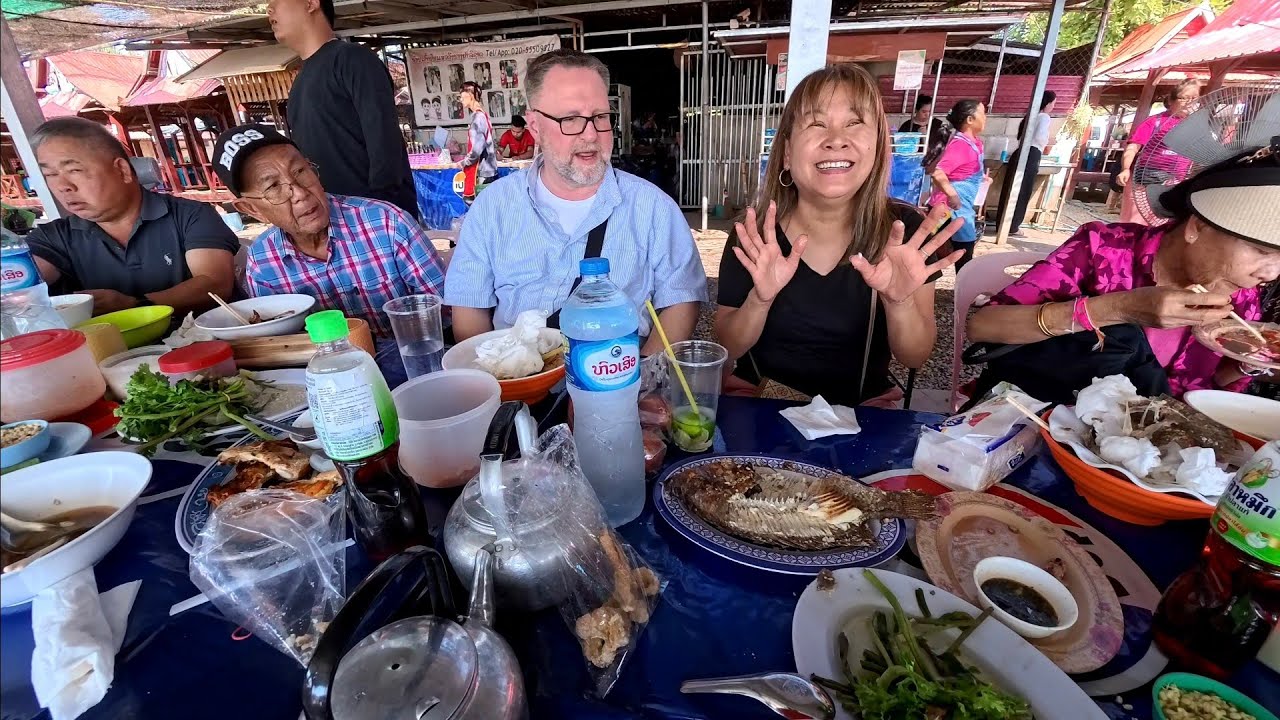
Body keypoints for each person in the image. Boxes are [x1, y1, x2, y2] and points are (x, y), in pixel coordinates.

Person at [715, 64, 964, 407]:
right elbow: (727, 347)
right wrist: (760, 300)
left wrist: (898, 302)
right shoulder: (756, 234)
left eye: (854, 123)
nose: (835, 140)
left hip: (862, 416)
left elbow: (915, 356)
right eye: (816, 124)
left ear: (877, 148)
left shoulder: (903, 230)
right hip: (762, 405)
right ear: (787, 153)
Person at [444, 49, 706, 352]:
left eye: (600, 117)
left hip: (618, 381)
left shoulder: (654, 209)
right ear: (535, 127)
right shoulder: (493, 208)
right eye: (570, 119)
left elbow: (681, 303)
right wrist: (503, 381)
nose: (591, 134)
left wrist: (641, 380)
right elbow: (469, 310)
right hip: (519, 387)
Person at [967, 145, 1279, 398]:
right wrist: (1119, 308)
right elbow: (984, 326)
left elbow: (1215, 385)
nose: (1271, 273)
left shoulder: (1242, 296)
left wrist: (1252, 364)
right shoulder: (1104, 249)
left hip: (1167, 454)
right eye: (1263, 251)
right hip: (1050, 423)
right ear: (1196, 227)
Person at [213, 125, 446, 339]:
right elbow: (278, 341)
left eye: (300, 171)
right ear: (251, 209)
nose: (300, 193)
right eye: (273, 186)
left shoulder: (387, 223)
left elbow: (447, 311)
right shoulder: (263, 261)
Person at [24, 117, 238, 316]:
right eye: (50, 175)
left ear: (122, 170)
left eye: (74, 170)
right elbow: (20, 287)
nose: (63, 187)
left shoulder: (190, 215)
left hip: (203, 343)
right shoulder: (52, 238)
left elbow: (215, 283)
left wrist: (136, 304)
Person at [269, 0, 419, 219]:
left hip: (374, 223)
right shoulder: (299, 83)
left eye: (275, 1)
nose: (269, 9)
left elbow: (385, 145)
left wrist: (375, 217)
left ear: (311, 3)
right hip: (332, 223)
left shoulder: (352, 58)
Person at [1115, 79, 1200, 225]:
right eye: (1184, 98)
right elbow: (1133, 147)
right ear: (1171, 101)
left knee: (1162, 226)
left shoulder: (1198, 126)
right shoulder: (1155, 122)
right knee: (1134, 223)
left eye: (1194, 98)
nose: (1189, 103)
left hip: (1175, 183)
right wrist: (1125, 169)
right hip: (1144, 180)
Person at [926, 100, 988, 271]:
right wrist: (952, 195)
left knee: (960, 253)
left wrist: (981, 179)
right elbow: (938, 172)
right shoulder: (961, 145)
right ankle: (965, 292)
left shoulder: (974, 143)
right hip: (948, 210)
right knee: (960, 255)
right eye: (982, 113)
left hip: (961, 210)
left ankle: (964, 290)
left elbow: (963, 171)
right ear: (970, 119)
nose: (985, 117)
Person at [998, 90, 1056, 237]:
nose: (1054, 106)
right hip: (1031, 155)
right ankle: (1013, 226)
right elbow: (1040, 138)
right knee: (1022, 191)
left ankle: (1002, 223)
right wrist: (1050, 142)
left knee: (1011, 189)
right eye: (1053, 102)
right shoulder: (1044, 117)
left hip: (1020, 153)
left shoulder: (1030, 116)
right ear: (1047, 103)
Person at [457, 80, 498, 202]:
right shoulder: (483, 115)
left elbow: (476, 149)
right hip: (488, 169)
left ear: (470, 95)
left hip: (482, 172)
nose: (460, 99)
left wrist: (464, 162)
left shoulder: (478, 117)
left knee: (481, 208)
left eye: (461, 96)